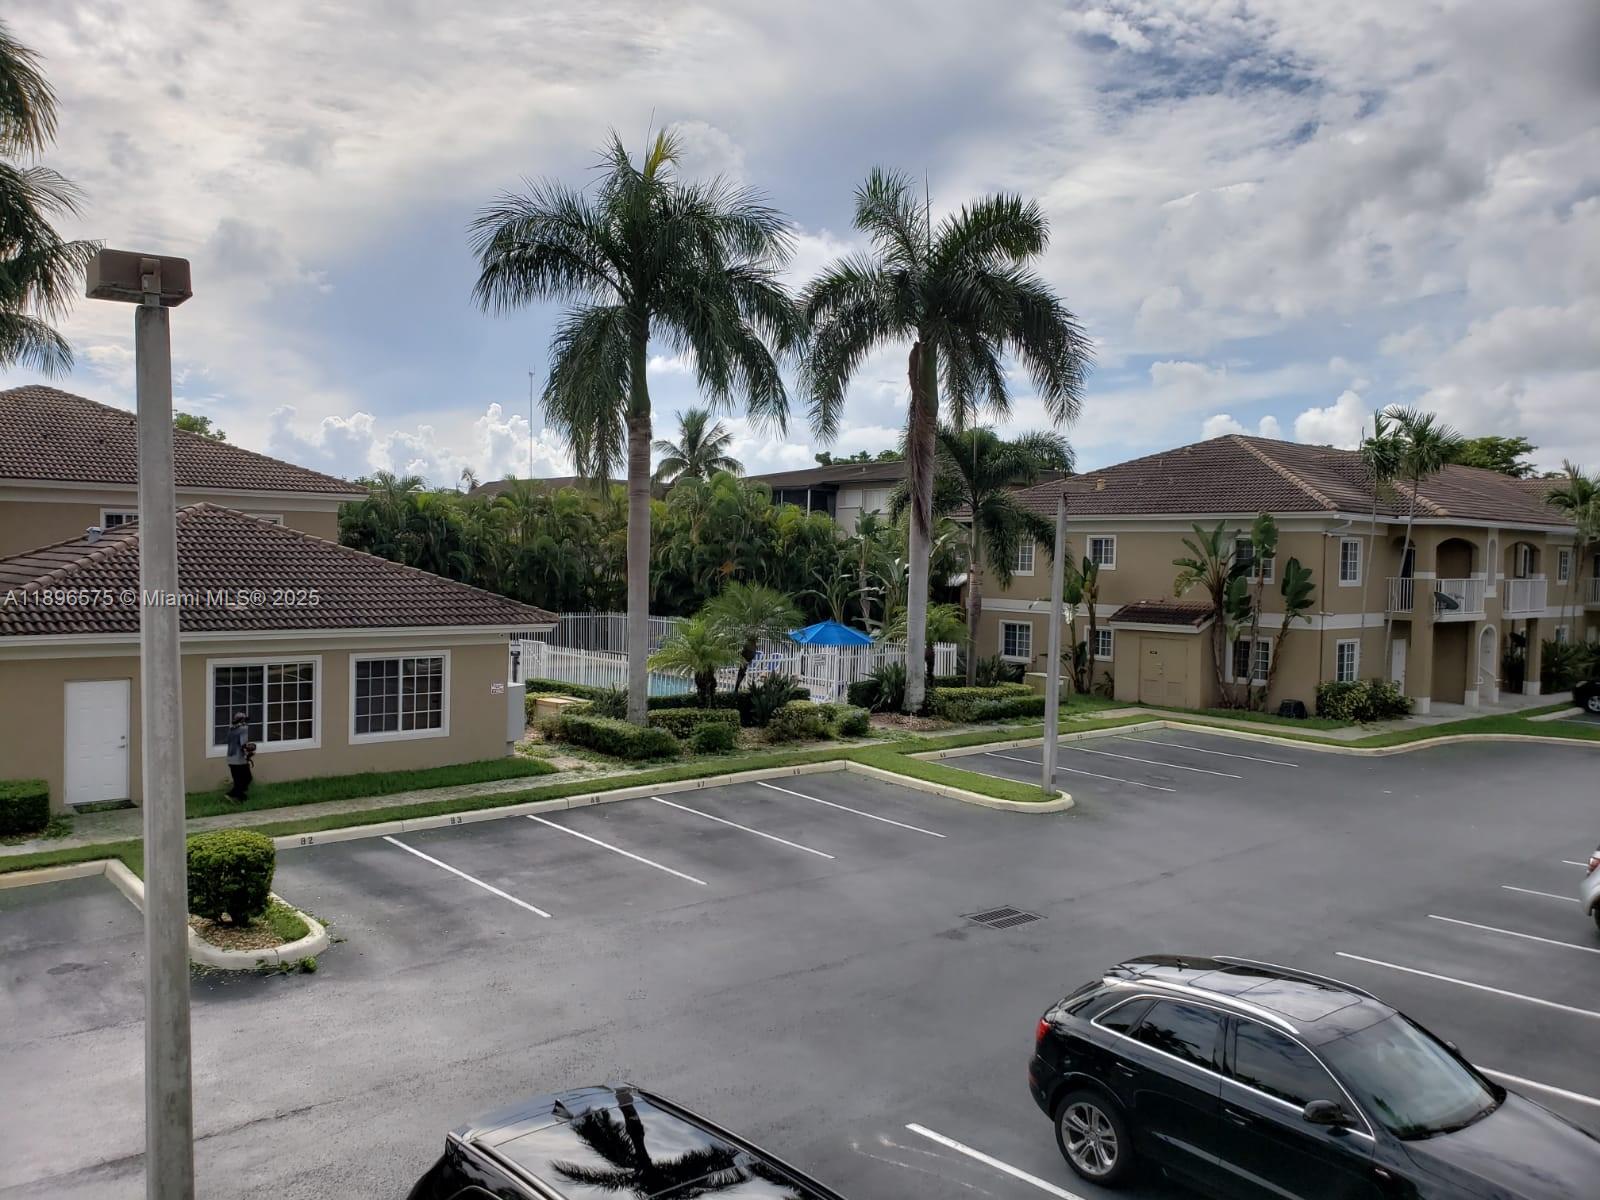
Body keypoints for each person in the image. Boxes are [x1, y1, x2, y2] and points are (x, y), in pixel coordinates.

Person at [225, 712, 257, 801]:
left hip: (230, 759)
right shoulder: (243, 729)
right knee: (247, 778)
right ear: (242, 721)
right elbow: (243, 745)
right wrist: (250, 752)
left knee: (238, 780)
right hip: (239, 760)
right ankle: (235, 796)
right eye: (245, 720)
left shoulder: (230, 730)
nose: (246, 722)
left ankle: (235, 796)